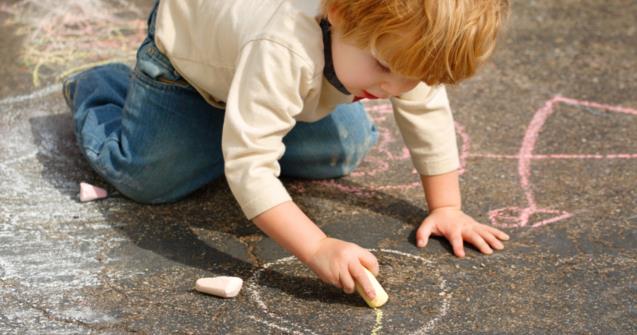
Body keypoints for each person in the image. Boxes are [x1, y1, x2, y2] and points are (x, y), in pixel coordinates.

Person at [63, 0, 510, 300]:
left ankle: (244, 120)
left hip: (279, 74)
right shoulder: (284, 45)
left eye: (412, 77)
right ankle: (101, 86)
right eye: (385, 68)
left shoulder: (388, 45)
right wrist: (317, 248)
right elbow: (250, 169)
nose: (395, 89)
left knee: (345, 150)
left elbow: (425, 105)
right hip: (186, 67)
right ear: (339, 13)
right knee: (150, 175)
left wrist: (447, 206)